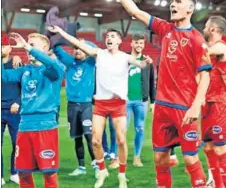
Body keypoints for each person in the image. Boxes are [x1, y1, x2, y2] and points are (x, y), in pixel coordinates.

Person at [97, 0, 212, 188]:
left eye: (178, 2)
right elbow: (135, 10)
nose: (173, 5)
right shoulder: (165, 29)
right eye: (172, 2)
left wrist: (196, 106)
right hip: (162, 107)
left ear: (190, 8)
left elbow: (205, 75)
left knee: (190, 158)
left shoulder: (197, 39)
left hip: (184, 108)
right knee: (160, 158)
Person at [47, 26, 152, 188]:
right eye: (107, 36)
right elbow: (77, 43)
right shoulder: (99, 54)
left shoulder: (125, 57)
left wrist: (146, 62)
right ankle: (101, 171)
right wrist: (61, 32)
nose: (109, 38)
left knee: (121, 140)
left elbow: (141, 65)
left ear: (118, 41)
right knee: (96, 141)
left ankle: (122, 175)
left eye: (112, 36)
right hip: (101, 104)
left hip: (118, 104)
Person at [1, 32, 65, 188]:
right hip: (24, 127)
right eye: (26, 45)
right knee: (23, 171)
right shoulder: (25, 70)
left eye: (31, 45)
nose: (26, 49)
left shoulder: (53, 69)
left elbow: (54, 66)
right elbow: (4, 77)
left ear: (44, 48)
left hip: (45, 127)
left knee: (49, 172)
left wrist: (27, 47)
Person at [201, 16, 226, 188]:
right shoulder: (215, 48)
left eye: (206, 26)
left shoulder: (221, 46)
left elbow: (205, 52)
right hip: (209, 103)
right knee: (208, 147)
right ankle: (216, 184)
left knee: (220, 149)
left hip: (222, 103)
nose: (204, 29)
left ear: (214, 30)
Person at [52, 40, 98, 176]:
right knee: (77, 137)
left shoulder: (91, 63)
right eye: (76, 48)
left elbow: (97, 51)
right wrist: (60, 37)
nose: (78, 51)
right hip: (72, 106)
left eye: (81, 49)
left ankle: (97, 166)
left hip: (86, 106)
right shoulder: (69, 62)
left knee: (89, 136)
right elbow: (56, 49)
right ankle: (81, 167)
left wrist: (83, 43)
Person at [126, 33, 156, 167]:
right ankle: (119, 157)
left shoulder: (148, 62)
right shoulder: (124, 59)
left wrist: (153, 102)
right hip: (125, 100)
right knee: (121, 130)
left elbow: (151, 82)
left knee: (140, 129)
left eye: (141, 43)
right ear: (131, 43)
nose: (139, 45)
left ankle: (137, 157)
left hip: (141, 101)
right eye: (137, 43)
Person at [1, 34, 22, 185]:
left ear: (9, 48)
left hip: (14, 110)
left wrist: (18, 102)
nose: (1, 48)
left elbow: (25, 87)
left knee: (17, 143)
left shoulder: (16, 64)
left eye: (3, 45)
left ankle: (14, 172)